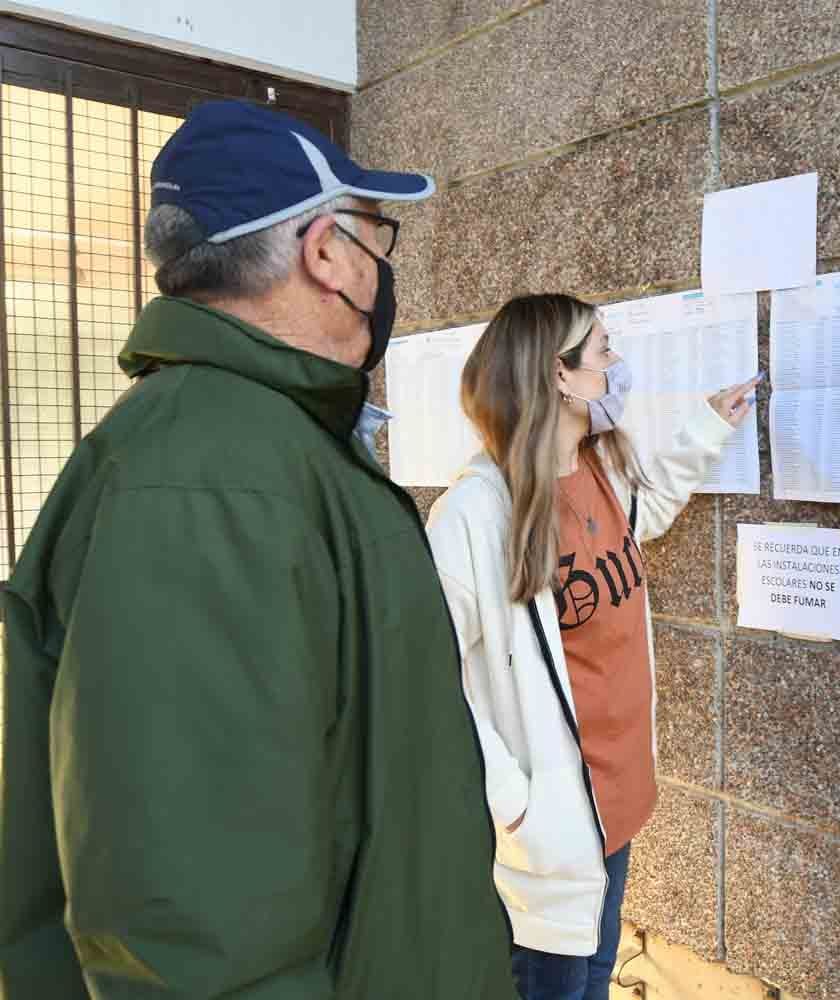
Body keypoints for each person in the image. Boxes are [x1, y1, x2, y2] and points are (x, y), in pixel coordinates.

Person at [0, 100, 516, 999]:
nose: (381, 266)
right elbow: (194, 932)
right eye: (374, 237)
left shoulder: (262, 443)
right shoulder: (208, 480)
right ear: (325, 253)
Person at [426, 294, 757, 1000]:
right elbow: (427, 678)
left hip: (615, 804)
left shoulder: (596, 471)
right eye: (603, 350)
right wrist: (517, 804)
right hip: (548, 835)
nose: (617, 365)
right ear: (559, 376)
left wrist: (707, 426)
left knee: (593, 981)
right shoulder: (475, 513)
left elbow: (644, 517)